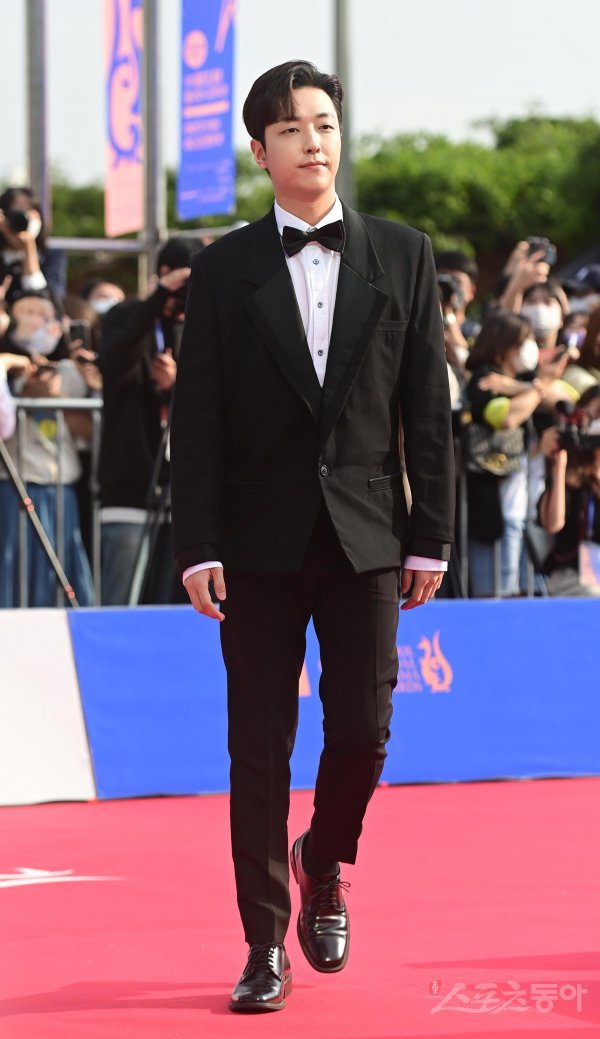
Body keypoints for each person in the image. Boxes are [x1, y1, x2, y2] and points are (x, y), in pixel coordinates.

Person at [170, 60, 455, 1013]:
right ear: (261, 151)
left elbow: (427, 408)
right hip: (254, 542)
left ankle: (324, 857)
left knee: (365, 731)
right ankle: (263, 943)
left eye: (324, 123)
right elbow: (196, 422)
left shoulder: (405, 253)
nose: (313, 141)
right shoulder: (222, 269)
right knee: (258, 746)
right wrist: (198, 543)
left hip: (368, 534)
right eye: (291, 128)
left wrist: (431, 533)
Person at [98, 238, 198, 605]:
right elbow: (115, 362)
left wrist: (177, 385)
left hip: (184, 493)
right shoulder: (126, 316)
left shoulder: (199, 324)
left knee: (178, 603)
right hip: (129, 486)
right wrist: (159, 296)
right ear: (165, 273)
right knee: (122, 601)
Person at [464, 311, 575, 597]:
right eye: (523, 340)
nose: (529, 347)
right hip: (490, 510)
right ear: (504, 343)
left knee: (520, 595)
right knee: (494, 596)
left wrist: (524, 387)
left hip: (523, 509)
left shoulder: (522, 379)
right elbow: (508, 416)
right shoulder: (484, 379)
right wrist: (536, 390)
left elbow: (566, 400)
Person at [538, 385, 600, 595]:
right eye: (596, 414)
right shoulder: (571, 472)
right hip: (573, 576)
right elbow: (553, 524)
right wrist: (557, 467)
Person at [0, 186, 66, 302]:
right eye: (15, 210)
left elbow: (45, 299)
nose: (21, 217)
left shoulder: (51, 255)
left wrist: (29, 245)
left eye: (28, 210)